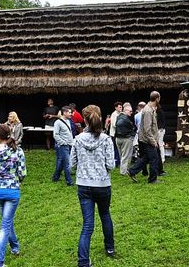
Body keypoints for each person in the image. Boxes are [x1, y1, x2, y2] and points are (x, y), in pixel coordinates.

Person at [70, 104, 116, 267]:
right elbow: (111, 165)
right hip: (103, 185)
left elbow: (72, 165)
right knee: (105, 215)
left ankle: (83, 261)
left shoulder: (77, 139)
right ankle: (110, 248)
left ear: (84, 119)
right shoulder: (106, 140)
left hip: (83, 185)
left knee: (87, 224)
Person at [0, 124, 27, 267]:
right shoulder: (18, 151)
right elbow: (22, 173)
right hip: (12, 191)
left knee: (6, 221)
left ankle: (15, 247)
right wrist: (17, 180)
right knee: (5, 225)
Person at [128, 91, 161, 183]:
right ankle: (152, 179)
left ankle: (132, 171)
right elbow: (147, 128)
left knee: (146, 158)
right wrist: (153, 140)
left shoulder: (150, 109)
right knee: (154, 158)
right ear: (157, 98)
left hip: (147, 139)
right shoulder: (148, 111)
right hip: (148, 139)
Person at [52, 106, 74, 186]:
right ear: (64, 113)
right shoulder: (57, 122)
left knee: (61, 162)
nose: (71, 114)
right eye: (69, 112)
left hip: (69, 144)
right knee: (67, 164)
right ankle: (69, 182)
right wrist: (63, 143)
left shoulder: (69, 121)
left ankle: (55, 177)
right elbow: (56, 135)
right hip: (63, 146)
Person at [115, 105, 135, 175]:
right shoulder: (125, 118)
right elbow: (120, 124)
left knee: (122, 155)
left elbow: (116, 125)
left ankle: (123, 169)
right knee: (126, 156)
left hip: (118, 138)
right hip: (125, 138)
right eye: (130, 111)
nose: (131, 112)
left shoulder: (118, 116)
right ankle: (123, 172)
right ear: (125, 110)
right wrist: (131, 127)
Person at [156, 101, 168, 176]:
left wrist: (159, 128)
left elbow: (161, 122)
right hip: (160, 129)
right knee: (160, 144)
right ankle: (162, 158)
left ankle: (162, 158)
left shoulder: (159, 112)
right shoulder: (160, 112)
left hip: (160, 130)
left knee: (160, 144)